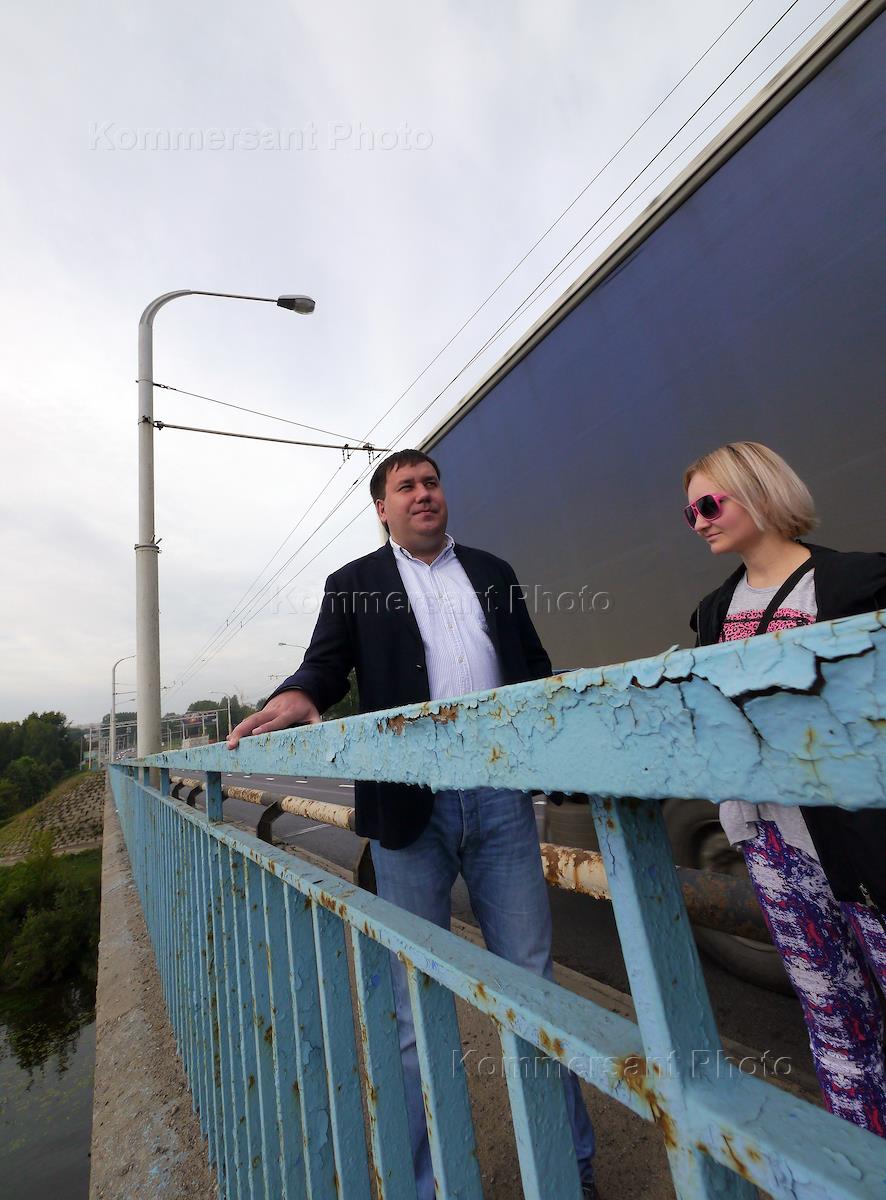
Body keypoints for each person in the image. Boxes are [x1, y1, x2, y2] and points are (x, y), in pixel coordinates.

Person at [228, 449, 598, 1198]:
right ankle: (426, 1183)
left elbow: (532, 668)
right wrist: (301, 694)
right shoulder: (354, 583)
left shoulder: (492, 571)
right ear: (382, 508)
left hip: (500, 800)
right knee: (412, 1006)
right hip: (408, 809)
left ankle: (569, 1168)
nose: (423, 494)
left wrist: (570, 749)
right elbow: (326, 666)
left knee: (533, 988)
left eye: (431, 482)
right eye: (406, 486)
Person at [684, 440, 886, 1137]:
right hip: (771, 840)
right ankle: (862, 1159)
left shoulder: (856, 582)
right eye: (690, 513)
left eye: (711, 504)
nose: (700, 521)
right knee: (833, 1019)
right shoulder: (712, 611)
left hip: (861, 839)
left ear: (760, 492)